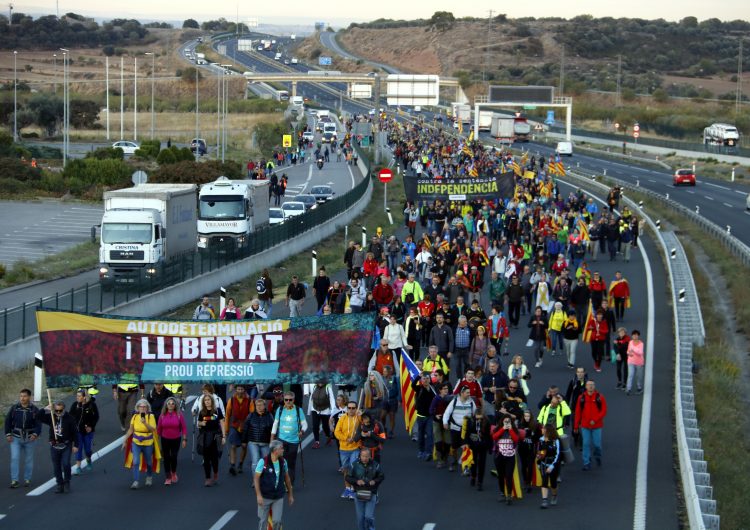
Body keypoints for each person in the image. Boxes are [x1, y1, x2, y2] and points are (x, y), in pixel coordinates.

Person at [38, 400, 77, 494]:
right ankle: (60, 484)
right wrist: (46, 408)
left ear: (64, 409)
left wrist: (76, 445)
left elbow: (75, 433)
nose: (58, 413)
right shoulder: (51, 417)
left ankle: (67, 481)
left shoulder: (70, 419)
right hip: (54, 445)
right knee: (56, 466)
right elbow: (38, 417)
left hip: (66, 445)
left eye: (60, 410)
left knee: (66, 464)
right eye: (56, 410)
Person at [5, 388, 41, 488]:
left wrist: (35, 434)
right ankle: (14, 480)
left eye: (24, 396)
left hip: (30, 439)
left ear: (29, 397)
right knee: (14, 458)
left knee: (28, 459)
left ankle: (27, 479)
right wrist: (8, 434)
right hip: (15, 438)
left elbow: (38, 424)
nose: (22, 398)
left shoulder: (34, 410)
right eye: (21, 396)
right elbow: (8, 421)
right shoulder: (14, 408)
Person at [254, 440, 294, 530]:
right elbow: (256, 479)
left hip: (278, 497)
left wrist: (290, 495)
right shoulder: (263, 462)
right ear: (275, 450)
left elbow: (287, 479)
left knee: (277, 521)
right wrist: (258, 495)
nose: (283, 450)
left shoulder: (283, 462)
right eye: (281, 448)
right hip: (265, 497)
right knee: (263, 521)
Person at [271, 391, 307, 485]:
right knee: (281, 461)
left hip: (294, 441)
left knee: (290, 463)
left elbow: (304, 424)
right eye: (286, 400)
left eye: (290, 400)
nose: (288, 401)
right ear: (284, 400)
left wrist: (302, 431)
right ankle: (281, 481)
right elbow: (275, 424)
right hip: (281, 440)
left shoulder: (298, 410)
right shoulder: (280, 409)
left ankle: (289, 483)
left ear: (293, 400)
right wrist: (272, 438)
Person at [123, 399, 159, 490]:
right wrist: (125, 440)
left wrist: (145, 423)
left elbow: (152, 429)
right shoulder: (135, 417)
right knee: (135, 462)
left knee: (149, 462)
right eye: (141, 407)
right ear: (138, 408)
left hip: (148, 442)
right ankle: (136, 481)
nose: (142, 408)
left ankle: (149, 477)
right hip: (136, 442)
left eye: (144, 407)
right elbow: (131, 429)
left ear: (147, 408)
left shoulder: (151, 417)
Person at [346, 447, 385, 530]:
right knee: (360, 518)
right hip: (358, 493)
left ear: (370, 456)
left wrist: (375, 481)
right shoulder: (354, 465)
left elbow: (382, 476)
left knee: (368, 516)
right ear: (360, 456)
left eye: (367, 456)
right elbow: (348, 477)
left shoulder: (376, 465)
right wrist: (357, 481)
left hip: (372, 493)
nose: (364, 458)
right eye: (363, 456)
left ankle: (371, 528)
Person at [574, 380, 607, 471]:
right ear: (586, 387)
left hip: (597, 426)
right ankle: (586, 462)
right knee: (586, 443)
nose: (591, 386)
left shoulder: (600, 397)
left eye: (592, 385)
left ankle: (597, 456)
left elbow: (603, 411)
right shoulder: (581, 398)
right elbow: (578, 412)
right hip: (585, 426)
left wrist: (595, 420)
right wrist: (576, 426)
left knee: (597, 445)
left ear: (594, 386)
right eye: (589, 385)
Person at [443, 386, 476, 472]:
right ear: (462, 393)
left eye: (469, 392)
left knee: (466, 446)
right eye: (467, 393)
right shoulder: (454, 401)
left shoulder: (471, 402)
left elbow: (475, 414)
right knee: (454, 447)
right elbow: (447, 413)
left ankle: (465, 466)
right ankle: (454, 461)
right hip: (455, 429)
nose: (469, 394)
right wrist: (445, 422)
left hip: (466, 430)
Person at [491, 414, 522, 505]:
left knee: (509, 475)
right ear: (502, 421)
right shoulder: (498, 429)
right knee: (501, 475)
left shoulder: (514, 430)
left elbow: (516, 439)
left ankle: (509, 495)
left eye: (508, 421)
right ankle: (502, 493)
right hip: (499, 456)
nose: (507, 422)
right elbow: (494, 437)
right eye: (505, 421)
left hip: (510, 456)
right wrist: (503, 428)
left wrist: (510, 429)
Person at [243, 398, 274, 484]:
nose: (260, 407)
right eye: (258, 405)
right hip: (253, 442)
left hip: (265, 442)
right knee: (255, 462)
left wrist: (273, 441)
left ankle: (265, 479)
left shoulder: (269, 416)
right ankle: (256, 480)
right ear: (255, 406)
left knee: (266, 463)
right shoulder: (251, 415)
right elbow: (245, 428)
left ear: (265, 406)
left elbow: (273, 429)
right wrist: (244, 441)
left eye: (261, 405)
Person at [335, 400, 362, 499]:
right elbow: (337, 432)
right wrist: (346, 438)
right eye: (349, 408)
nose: (351, 410)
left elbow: (367, 423)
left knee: (353, 467)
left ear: (356, 409)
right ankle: (348, 488)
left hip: (355, 448)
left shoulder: (359, 418)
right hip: (343, 448)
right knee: (345, 469)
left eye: (353, 408)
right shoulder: (342, 418)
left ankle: (354, 489)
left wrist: (362, 415)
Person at [197, 394, 225, 486]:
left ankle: (215, 473)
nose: (207, 401)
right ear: (203, 402)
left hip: (215, 437)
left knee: (214, 459)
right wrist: (201, 423)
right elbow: (198, 424)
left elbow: (221, 422)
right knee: (206, 459)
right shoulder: (202, 412)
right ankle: (208, 478)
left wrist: (224, 436)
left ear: (212, 401)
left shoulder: (217, 411)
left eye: (209, 400)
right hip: (205, 437)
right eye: (205, 400)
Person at [157, 397, 186, 486]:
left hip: (176, 439)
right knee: (166, 458)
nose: (170, 405)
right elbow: (159, 429)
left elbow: (184, 428)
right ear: (166, 405)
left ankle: (173, 472)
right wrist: (156, 441)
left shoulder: (179, 415)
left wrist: (184, 439)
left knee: (173, 456)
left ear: (175, 405)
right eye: (169, 403)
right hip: (165, 439)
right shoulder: (162, 415)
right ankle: (168, 477)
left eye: (172, 403)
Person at [461, 407, 492, 491]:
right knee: (473, 463)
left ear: (483, 416)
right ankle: (473, 476)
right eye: (477, 418)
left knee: (482, 464)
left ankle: (480, 482)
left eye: (480, 418)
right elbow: (467, 434)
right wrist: (465, 443)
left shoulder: (487, 422)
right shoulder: (471, 421)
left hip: (483, 446)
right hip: (473, 446)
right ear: (474, 416)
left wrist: (490, 447)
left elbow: (489, 436)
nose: (478, 420)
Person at [69, 389, 99, 475]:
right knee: (78, 448)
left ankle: (88, 459)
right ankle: (78, 467)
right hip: (77, 431)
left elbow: (96, 417)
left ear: (84, 397)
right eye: (77, 396)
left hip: (88, 432)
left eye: (79, 396)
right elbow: (70, 416)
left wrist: (91, 426)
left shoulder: (91, 405)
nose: (77, 397)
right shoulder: (75, 405)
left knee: (88, 450)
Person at [225, 384, 253, 475]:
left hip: (245, 426)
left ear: (244, 390)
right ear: (235, 390)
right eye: (238, 389)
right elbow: (228, 415)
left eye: (241, 389)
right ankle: (232, 465)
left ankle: (240, 464)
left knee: (244, 446)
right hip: (235, 425)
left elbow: (252, 415)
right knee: (233, 446)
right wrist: (226, 429)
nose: (240, 391)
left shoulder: (249, 401)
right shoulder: (231, 400)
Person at [537, 424, 562, 508]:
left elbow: (558, 455)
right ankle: (544, 501)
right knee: (544, 481)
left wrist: (552, 466)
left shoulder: (556, 441)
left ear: (548, 431)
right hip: (544, 464)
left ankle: (554, 495)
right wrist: (538, 462)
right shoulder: (541, 440)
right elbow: (540, 452)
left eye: (543, 429)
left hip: (554, 464)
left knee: (553, 483)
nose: (542, 430)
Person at [518, 410, 542, 493]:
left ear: (531, 417)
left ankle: (529, 483)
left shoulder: (535, 425)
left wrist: (532, 434)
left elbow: (539, 436)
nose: (526, 418)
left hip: (531, 449)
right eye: (525, 416)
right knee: (524, 466)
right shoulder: (520, 424)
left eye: (528, 416)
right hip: (522, 449)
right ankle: (525, 481)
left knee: (530, 466)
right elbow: (517, 436)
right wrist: (523, 433)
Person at [564, 367, 588, 449]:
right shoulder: (573, 382)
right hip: (574, 407)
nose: (580, 374)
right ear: (576, 373)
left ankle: (582, 443)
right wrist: (566, 405)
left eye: (581, 372)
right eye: (578, 372)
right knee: (575, 426)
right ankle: (575, 436)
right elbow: (568, 395)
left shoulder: (588, 383)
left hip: (585, 408)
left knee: (584, 426)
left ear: (584, 373)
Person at [308, 382, 336, 449]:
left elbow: (332, 400)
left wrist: (333, 412)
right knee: (315, 426)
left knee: (325, 426)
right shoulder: (314, 387)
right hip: (315, 409)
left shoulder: (328, 388)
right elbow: (311, 399)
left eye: (322, 381)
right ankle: (317, 442)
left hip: (325, 410)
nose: (320, 382)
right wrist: (309, 411)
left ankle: (328, 436)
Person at [626, 329, 645, 395]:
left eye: (636, 335)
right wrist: (629, 353)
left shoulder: (641, 344)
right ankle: (628, 388)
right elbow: (628, 350)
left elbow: (640, 352)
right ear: (632, 336)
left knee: (639, 376)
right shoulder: (630, 342)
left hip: (639, 362)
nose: (635, 336)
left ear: (638, 336)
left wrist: (633, 349)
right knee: (630, 375)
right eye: (634, 335)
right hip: (631, 361)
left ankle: (639, 387)